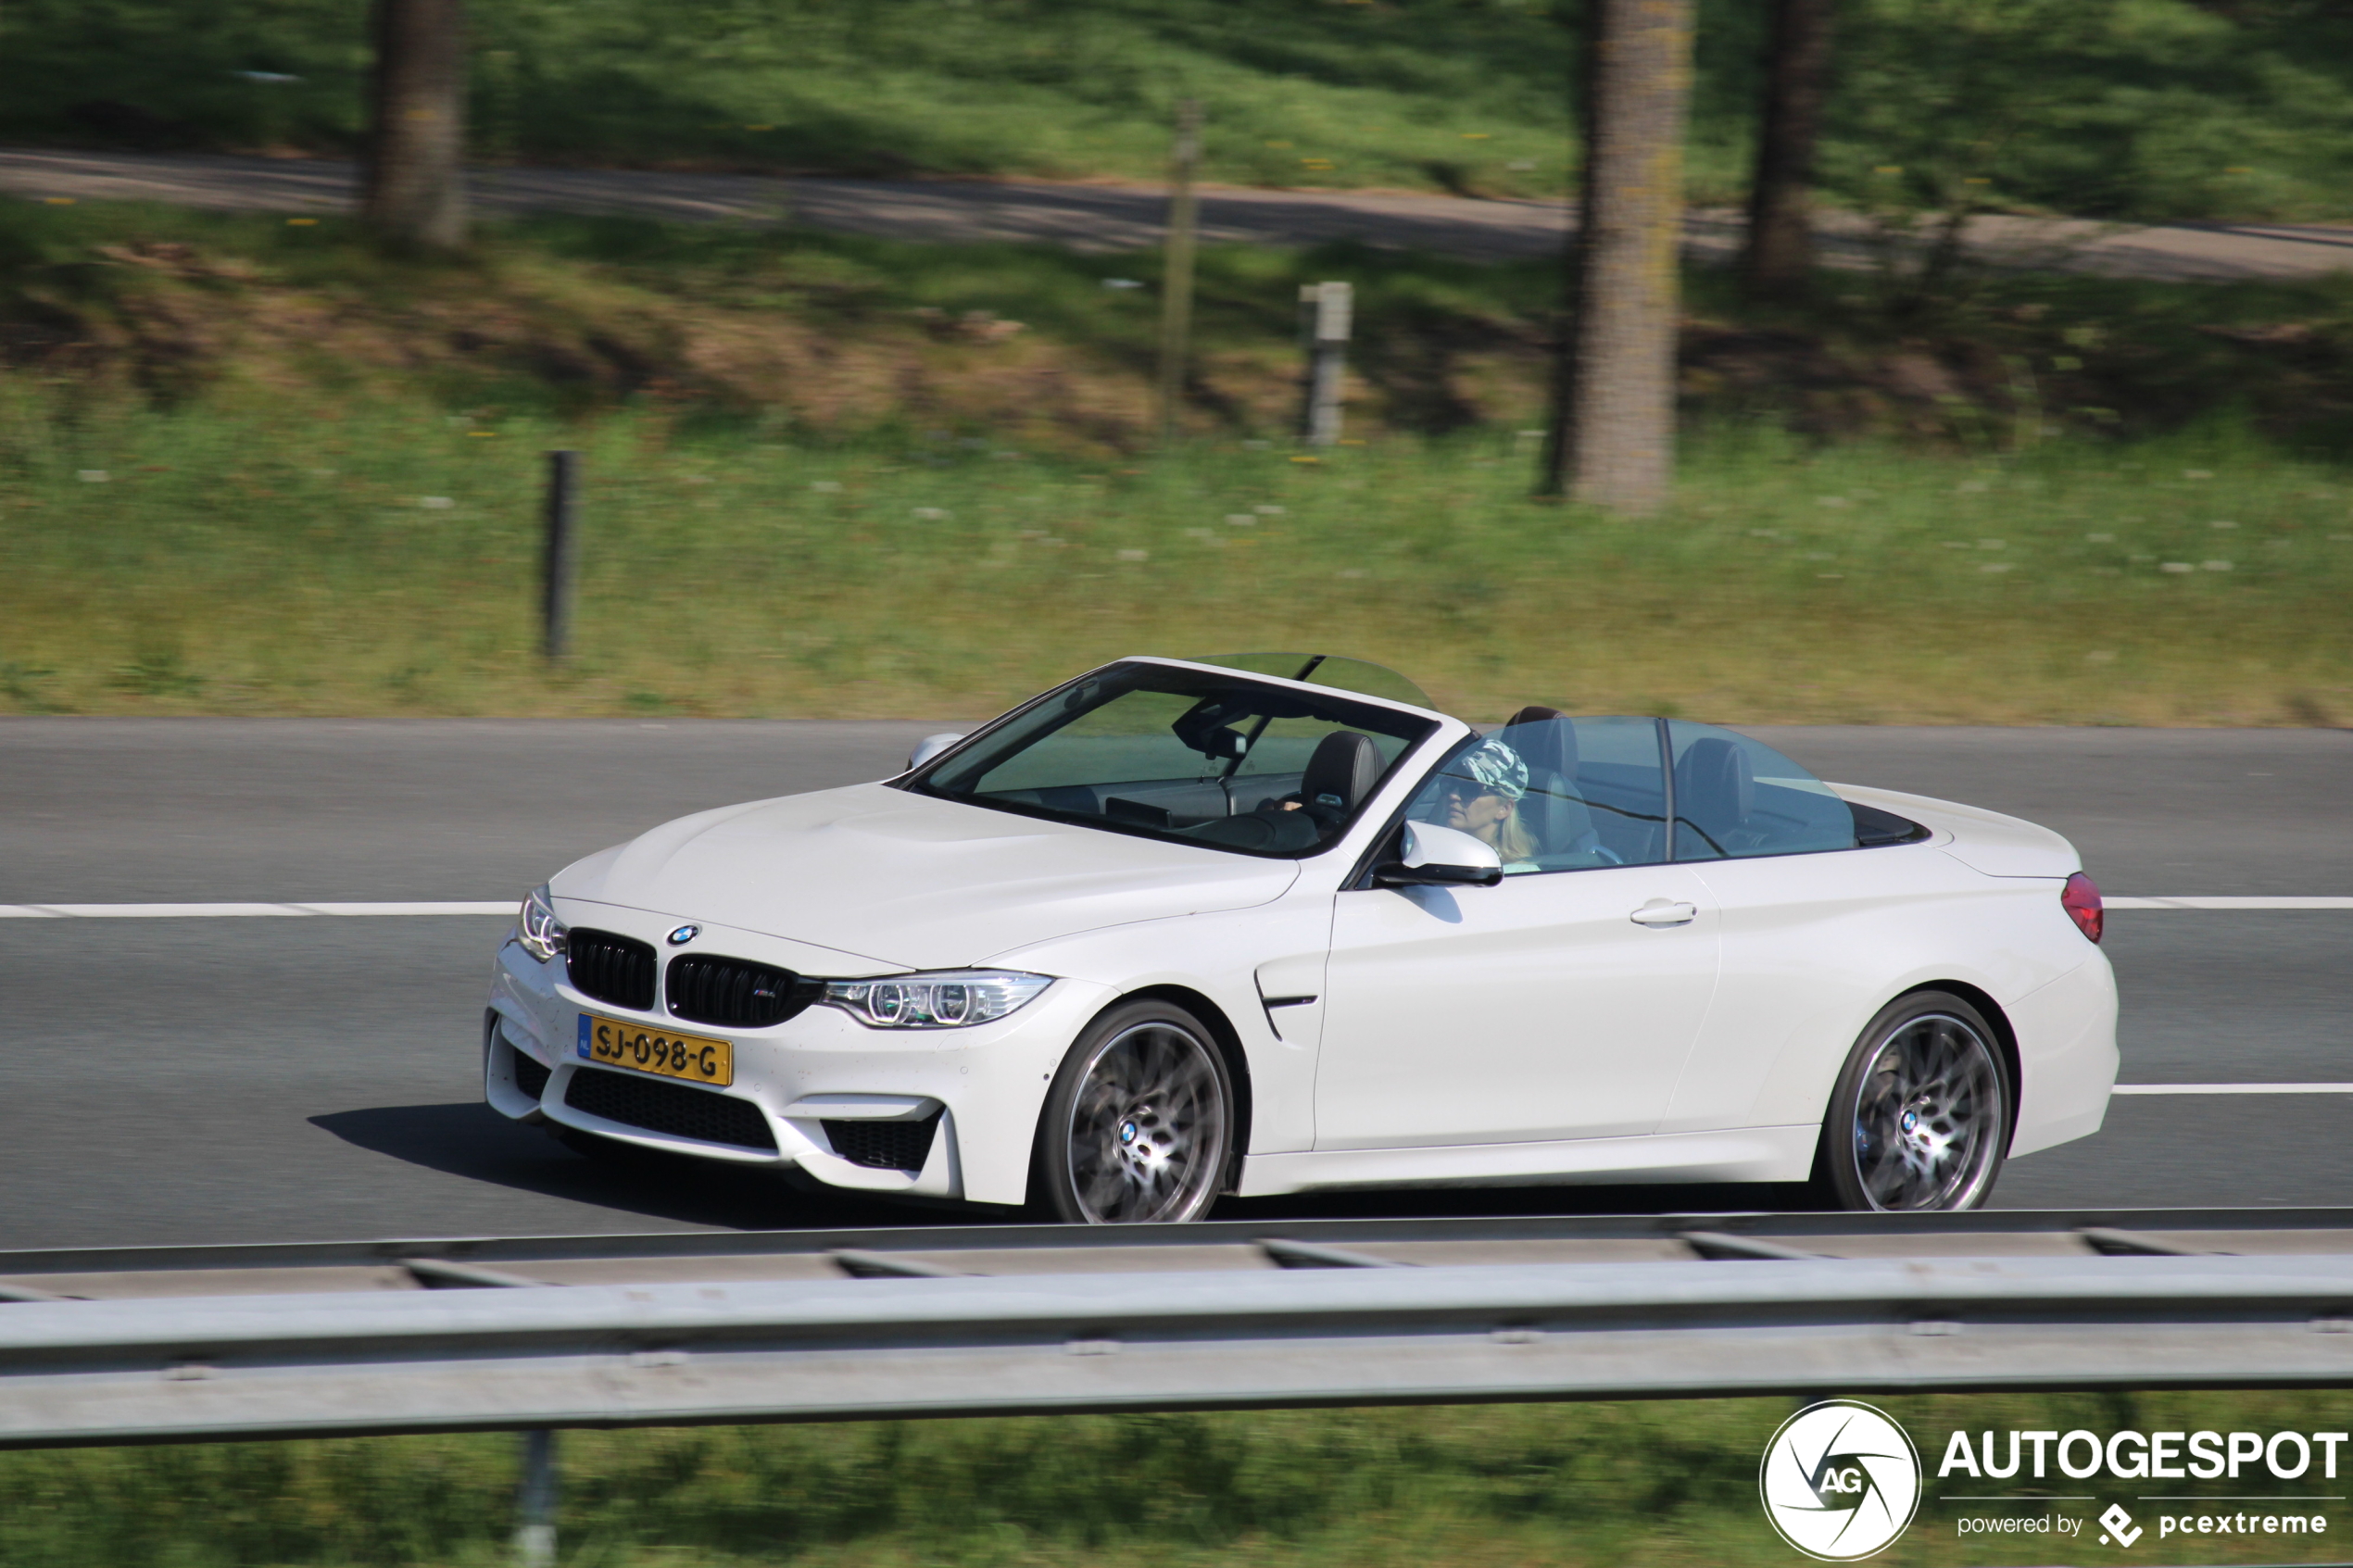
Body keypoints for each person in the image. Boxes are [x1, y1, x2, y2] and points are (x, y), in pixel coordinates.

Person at [1429, 736, 1541, 872]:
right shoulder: (1421, 851)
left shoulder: (1519, 874)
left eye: (1470, 788)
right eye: (1450, 783)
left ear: (1504, 809)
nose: (1453, 795)